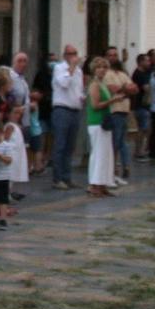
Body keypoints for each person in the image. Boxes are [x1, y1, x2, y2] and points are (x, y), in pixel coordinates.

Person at [49, 45, 84, 189]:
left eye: (75, 53)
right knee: (60, 145)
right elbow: (64, 83)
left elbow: (78, 90)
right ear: (65, 55)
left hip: (75, 110)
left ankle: (67, 176)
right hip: (62, 109)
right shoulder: (59, 68)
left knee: (70, 147)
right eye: (70, 54)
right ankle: (57, 178)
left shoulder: (79, 71)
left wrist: (82, 98)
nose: (73, 56)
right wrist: (71, 68)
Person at [84, 56, 116, 197]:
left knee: (105, 153)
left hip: (104, 121)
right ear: (94, 70)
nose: (102, 70)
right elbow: (95, 105)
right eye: (99, 67)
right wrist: (112, 101)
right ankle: (94, 184)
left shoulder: (103, 84)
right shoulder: (94, 85)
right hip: (97, 122)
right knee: (98, 153)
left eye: (104, 67)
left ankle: (102, 183)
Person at [103, 50, 135, 181]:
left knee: (122, 141)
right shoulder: (106, 74)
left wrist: (123, 89)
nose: (113, 57)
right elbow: (112, 89)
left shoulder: (122, 74)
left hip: (124, 109)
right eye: (110, 55)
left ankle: (126, 166)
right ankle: (112, 168)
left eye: (115, 55)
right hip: (113, 110)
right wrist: (125, 88)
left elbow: (135, 88)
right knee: (114, 141)